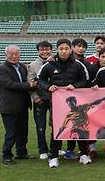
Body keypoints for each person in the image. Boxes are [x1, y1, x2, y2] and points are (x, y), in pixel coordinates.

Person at [38, 39, 91, 168]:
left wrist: (75, 85)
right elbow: (40, 79)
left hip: (77, 103)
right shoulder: (49, 64)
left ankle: (84, 154)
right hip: (57, 103)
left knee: (80, 127)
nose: (64, 51)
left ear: (70, 49)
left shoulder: (78, 64)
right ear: (57, 49)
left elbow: (85, 80)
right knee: (57, 129)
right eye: (61, 48)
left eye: (66, 48)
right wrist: (48, 87)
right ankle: (54, 156)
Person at [0, 45, 37, 165]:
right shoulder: (1, 69)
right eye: (11, 54)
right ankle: (7, 155)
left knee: (23, 131)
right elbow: (10, 84)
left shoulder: (23, 67)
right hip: (9, 106)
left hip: (23, 105)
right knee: (11, 132)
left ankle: (21, 153)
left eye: (16, 54)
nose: (14, 56)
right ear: (6, 56)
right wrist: (29, 85)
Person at [28, 41, 53, 160]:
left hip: (55, 100)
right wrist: (35, 97)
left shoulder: (56, 62)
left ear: (51, 50)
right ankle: (42, 150)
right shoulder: (32, 65)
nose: (45, 52)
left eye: (47, 49)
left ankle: (55, 148)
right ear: (38, 51)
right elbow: (30, 83)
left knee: (56, 125)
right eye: (42, 50)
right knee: (40, 126)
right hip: (40, 99)